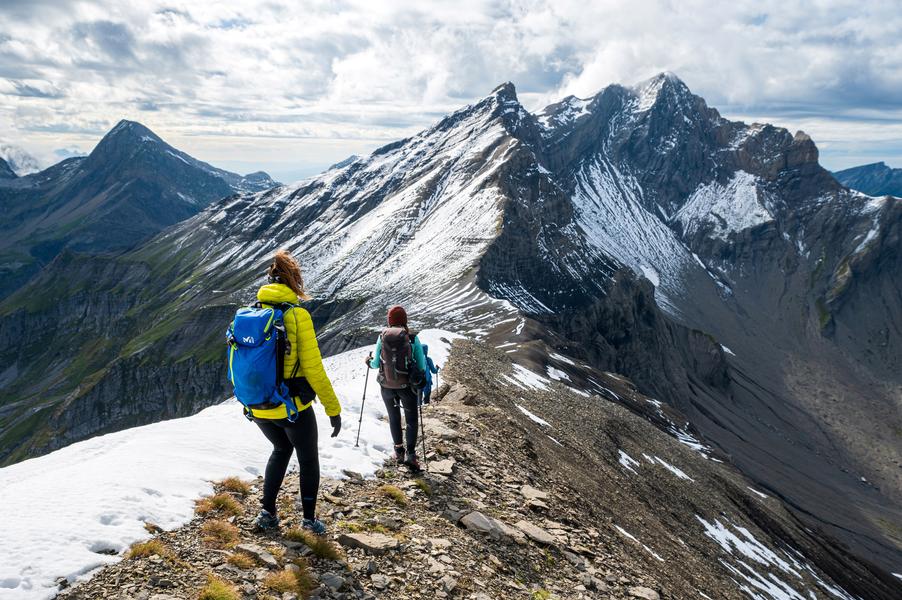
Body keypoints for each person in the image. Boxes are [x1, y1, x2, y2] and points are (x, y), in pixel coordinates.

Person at [247, 249, 342, 534]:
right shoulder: (298, 316)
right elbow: (314, 370)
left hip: (258, 405)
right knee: (307, 458)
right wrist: (333, 409)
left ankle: (267, 513)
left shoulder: (252, 312)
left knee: (280, 448)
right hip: (292, 406)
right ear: (294, 282)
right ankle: (310, 521)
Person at [365, 305, 427, 472]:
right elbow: (421, 365)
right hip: (407, 386)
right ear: (405, 320)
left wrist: (368, 361)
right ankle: (411, 455)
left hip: (386, 386)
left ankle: (399, 451)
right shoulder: (412, 338)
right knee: (411, 419)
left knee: (394, 417)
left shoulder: (382, 337)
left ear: (389, 321)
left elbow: (376, 363)